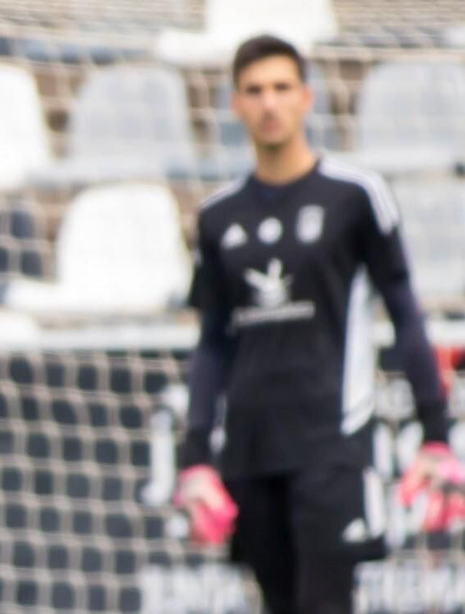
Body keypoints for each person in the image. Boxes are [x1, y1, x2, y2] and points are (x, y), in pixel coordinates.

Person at [175, 34, 463, 614]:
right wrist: (195, 456)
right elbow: (212, 343)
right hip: (250, 450)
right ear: (235, 105)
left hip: (331, 445)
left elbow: (404, 312)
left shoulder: (356, 196)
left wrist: (435, 432)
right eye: (255, 91)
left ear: (308, 98)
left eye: (282, 88)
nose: (269, 103)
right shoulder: (217, 216)